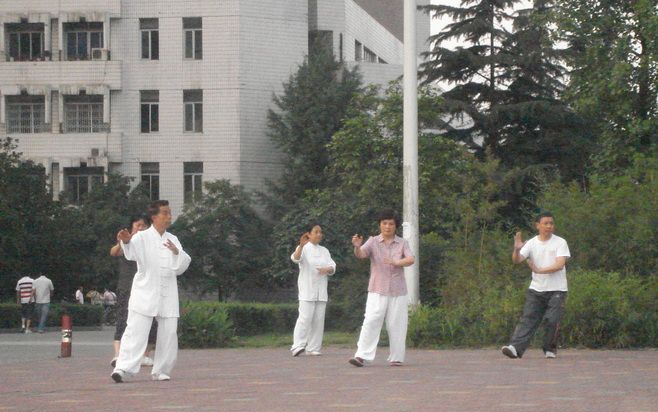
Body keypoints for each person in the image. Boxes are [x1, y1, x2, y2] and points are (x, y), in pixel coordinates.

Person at [111, 200, 191, 383]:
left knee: (169, 332)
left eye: (170, 213)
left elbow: (183, 264)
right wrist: (126, 241)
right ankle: (123, 368)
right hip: (145, 292)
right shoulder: (142, 237)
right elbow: (130, 253)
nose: (169, 216)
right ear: (154, 217)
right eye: (165, 213)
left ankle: (161, 370)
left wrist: (176, 252)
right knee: (135, 331)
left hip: (167, 293)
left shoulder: (173, 239)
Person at [348, 209, 415, 367]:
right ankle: (361, 356)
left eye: (391, 223)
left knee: (397, 323)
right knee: (371, 320)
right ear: (380, 225)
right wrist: (357, 247)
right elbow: (361, 254)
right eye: (384, 223)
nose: (387, 226)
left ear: (395, 226)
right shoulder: (372, 241)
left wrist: (396, 262)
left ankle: (396, 357)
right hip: (377, 289)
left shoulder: (402, 243)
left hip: (398, 290)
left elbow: (411, 259)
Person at [501, 211, 571, 359]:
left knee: (552, 320)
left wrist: (540, 270)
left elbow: (559, 264)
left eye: (551, 223)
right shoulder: (532, 243)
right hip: (536, 289)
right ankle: (515, 348)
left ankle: (549, 349)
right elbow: (517, 260)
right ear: (537, 225)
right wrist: (517, 249)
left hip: (557, 289)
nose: (549, 226)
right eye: (545, 223)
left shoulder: (560, 242)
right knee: (528, 318)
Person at [109, 216, 157, 368]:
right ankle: (118, 356)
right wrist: (123, 241)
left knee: (152, 324)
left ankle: (144, 355)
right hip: (126, 289)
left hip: (147, 289)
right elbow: (113, 252)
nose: (141, 228)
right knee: (122, 322)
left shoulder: (150, 243)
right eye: (138, 225)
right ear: (131, 228)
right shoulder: (126, 242)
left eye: (144, 225)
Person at [290, 224, 336, 357]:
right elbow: (295, 258)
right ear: (308, 234)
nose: (319, 234)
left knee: (318, 319)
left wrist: (328, 269)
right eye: (316, 232)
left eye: (320, 232)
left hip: (321, 290)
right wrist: (301, 245)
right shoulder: (303, 248)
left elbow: (332, 265)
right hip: (307, 290)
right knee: (305, 318)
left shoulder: (324, 250)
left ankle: (313, 347)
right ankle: (297, 346)